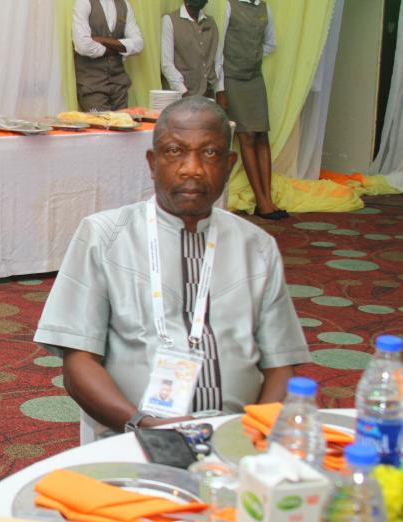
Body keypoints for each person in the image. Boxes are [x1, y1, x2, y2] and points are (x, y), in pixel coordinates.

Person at [34, 96, 310, 441]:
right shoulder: (104, 236)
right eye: (174, 151)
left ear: (229, 165)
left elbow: (280, 364)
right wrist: (143, 425)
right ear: (153, 163)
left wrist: (254, 437)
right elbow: (78, 362)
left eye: (209, 153)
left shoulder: (257, 246)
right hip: (135, 439)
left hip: (238, 440)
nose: (192, 168)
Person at [219, 0, 286, 219]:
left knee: (262, 135)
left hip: (255, 78)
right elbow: (218, 50)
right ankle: (262, 201)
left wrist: (251, 57)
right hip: (232, 79)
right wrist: (220, 88)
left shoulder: (264, 7)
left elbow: (270, 43)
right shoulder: (229, 5)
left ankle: (268, 199)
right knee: (246, 136)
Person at [72, 0, 144, 112]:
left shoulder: (124, 4)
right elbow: (83, 46)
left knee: (122, 122)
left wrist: (103, 40)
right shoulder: (84, 2)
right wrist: (119, 47)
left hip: (119, 85)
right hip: (92, 86)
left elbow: (139, 44)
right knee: (101, 122)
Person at [161, 0, 222, 99]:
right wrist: (184, 93)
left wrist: (219, 89)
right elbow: (167, 65)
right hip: (180, 96)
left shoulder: (211, 22)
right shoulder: (170, 20)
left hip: (208, 95)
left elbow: (218, 60)